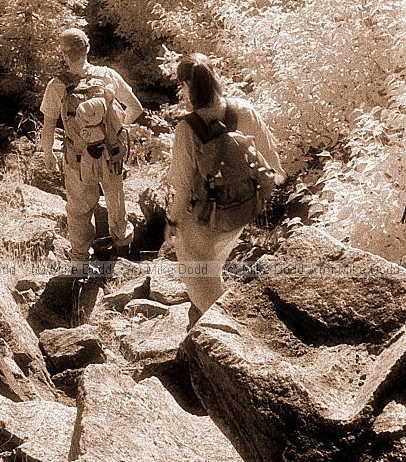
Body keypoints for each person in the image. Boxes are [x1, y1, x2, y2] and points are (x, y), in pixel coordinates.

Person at [166, 52, 286, 327]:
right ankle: (199, 322)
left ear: (185, 86)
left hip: (207, 218)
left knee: (196, 271)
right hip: (242, 209)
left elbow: (183, 190)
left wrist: (171, 221)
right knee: (215, 264)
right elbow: (276, 170)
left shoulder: (187, 129)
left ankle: (221, 327)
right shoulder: (245, 110)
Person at [40, 28, 143, 273]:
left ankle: (80, 265)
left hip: (77, 159)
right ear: (87, 48)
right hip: (110, 156)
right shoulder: (108, 76)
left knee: (78, 210)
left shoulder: (57, 85)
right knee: (116, 204)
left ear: (64, 54)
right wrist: (116, 131)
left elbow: (48, 126)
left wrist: (48, 154)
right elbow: (135, 108)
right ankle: (122, 257)